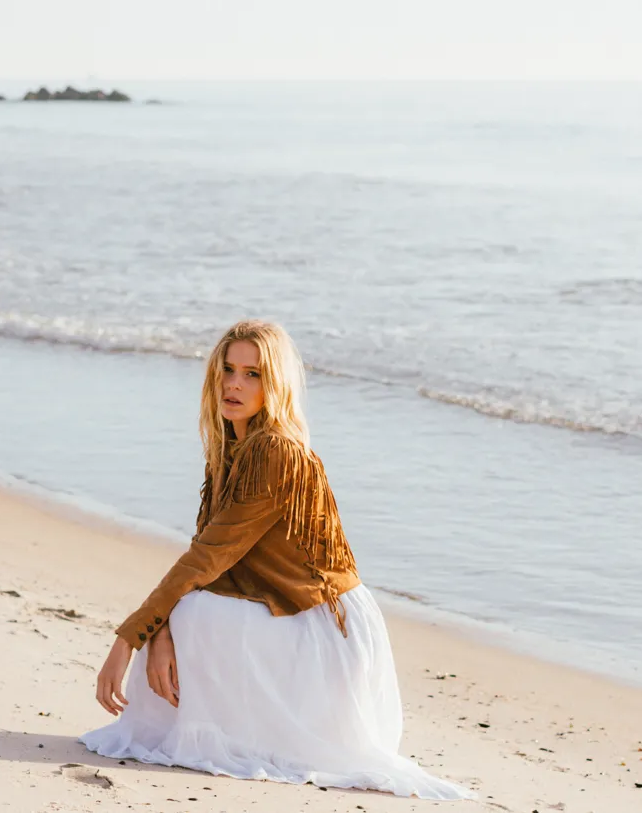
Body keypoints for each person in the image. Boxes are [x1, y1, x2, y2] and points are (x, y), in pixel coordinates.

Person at [80, 320, 475, 800]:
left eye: (253, 374)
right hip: (286, 611)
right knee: (183, 612)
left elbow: (206, 558)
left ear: (276, 385)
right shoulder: (232, 445)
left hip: (324, 626)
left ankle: (218, 736)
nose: (234, 384)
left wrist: (129, 638)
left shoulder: (275, 452)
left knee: (190, 613)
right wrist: (158, 631)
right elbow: (209, 554)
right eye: (228, 370)